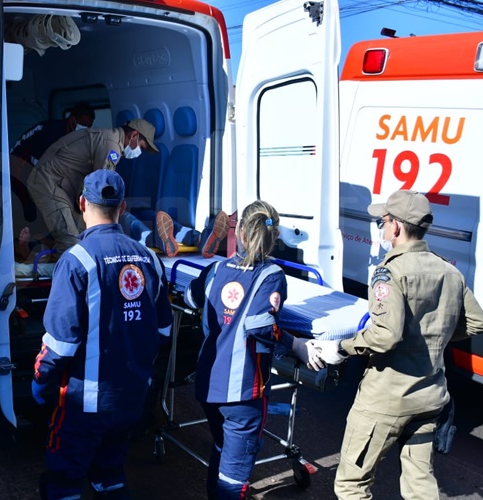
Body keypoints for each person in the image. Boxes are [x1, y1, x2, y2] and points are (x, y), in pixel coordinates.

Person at [309, 189, 483, 499]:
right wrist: (432, 334)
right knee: (420, 487)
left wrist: (340, 349)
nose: (382, 228)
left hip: (386, 398)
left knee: (352, 484)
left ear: (395, 226)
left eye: (383, 221)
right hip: (430, 396)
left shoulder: (389, 273)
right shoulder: (450, 271)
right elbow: (477, 323)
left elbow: (385, 335)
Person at [32, 169, 173, 499]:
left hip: (86, 402)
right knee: (110, 474)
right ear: (122, 208)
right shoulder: (149, 258)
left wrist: (40, 380)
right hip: (133, 396)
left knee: (64, 479)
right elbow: (164, 330)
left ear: (82, 203)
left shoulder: (76, 260)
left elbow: (61, 344)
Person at [182, 200, 318, 499]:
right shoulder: (271, 276)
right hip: (242, 391)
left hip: (209, 383)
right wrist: (293, 343)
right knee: (234, 475)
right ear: (276, 235)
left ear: (240, 232)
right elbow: (259, 326)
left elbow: (191, 298)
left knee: (220, 451)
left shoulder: (216, 268)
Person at [27, 118, 159, 253]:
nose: (139, 152)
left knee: (84, 236)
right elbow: (101, 189)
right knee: (71, 241)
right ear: (134, 135)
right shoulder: (112, 147)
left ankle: (57, 260)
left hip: (62, 185)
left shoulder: (110, 138)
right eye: (141, 147)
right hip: (49, 183)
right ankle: (65, 270)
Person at [11, 103, 96, 259]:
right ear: (72, 120)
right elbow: (45, 168)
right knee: (31, 208)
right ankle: (21, 247)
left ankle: (41, 242)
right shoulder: (52, 133)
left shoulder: (73, 137)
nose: (85, 129)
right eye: (83, 125)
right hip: (19, 167)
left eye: (88, 126)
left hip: (37, 171)